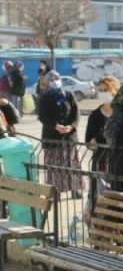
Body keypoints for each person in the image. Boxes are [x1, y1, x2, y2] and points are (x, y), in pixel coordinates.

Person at [37, 70, 82, 198]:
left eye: (56, 78)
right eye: (51, 79)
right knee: (54, 165)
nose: (54, 81)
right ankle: (55, 190)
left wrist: (71, 126)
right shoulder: (44, 97)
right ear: (47, 82)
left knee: (71, 163)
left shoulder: (68, 95)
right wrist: (55, 126)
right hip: (52, 136)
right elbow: (42, 116)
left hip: (69, 136)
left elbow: (76, 114)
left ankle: (75, 189)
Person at [85, 76, 121, 207]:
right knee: (99, 196)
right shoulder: (95, 115)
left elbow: (122, 138)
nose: (103, 93)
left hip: (119, 162)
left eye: (106, 89)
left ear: (114, 90)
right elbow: (89, 141)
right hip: (100, 162)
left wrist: (100, 138)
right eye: (100, 90)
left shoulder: (122, 113)